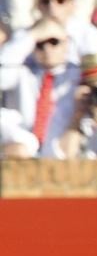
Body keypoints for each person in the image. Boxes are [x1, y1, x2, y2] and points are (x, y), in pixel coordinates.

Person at [0, 17, 80, 157]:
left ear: (66, 43)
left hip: (65, 155)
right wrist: (32, 35)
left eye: (53, 42)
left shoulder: (78, 75)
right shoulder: (22, 70)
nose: (47, 49)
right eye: (40, 44)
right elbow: (3, 74)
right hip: (24, 156)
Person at [0, 0, 97, 66]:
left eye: (60, 1)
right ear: (38, 5)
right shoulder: (25, 34)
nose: (52, 7)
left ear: (72, 4)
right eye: (46, 1)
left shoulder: (88, 35)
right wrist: (33, 36)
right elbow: (3, 66)